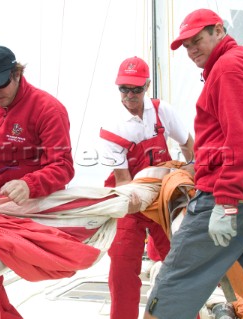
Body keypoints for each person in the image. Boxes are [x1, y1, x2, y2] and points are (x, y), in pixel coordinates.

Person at [144, 8, 243, 319]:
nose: (192, 51)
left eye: (196, 41)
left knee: (174, 281)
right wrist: (197, 165)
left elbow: (242, 142)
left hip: (234, 194)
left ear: (218, 30)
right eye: (187, 46)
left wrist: (227, 202)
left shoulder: (229, 69)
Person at [0, 45, 75, 318]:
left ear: (17, 73)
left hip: (33, 204)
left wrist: (29, 184)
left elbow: (63, 167)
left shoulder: (48, 109)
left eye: (1, 84)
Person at [99, 56, 194, 319]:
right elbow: (122, 180)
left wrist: (196, 176)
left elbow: (188, 145)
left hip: (163, 196)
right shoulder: (111, 128)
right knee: (121, 267)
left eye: (136, 89)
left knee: (178, 263)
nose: (129, 95)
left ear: (147, 86)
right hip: (129, 198)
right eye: (124, 89)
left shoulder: (163, 110)